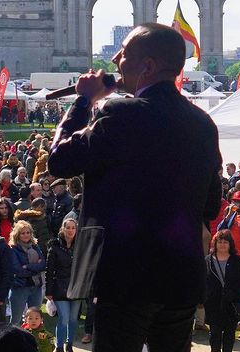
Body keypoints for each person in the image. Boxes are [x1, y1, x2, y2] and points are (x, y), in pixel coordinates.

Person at [47, 23, 222, 352]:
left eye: (124, 52)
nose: (114, 59)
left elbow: (60, 160)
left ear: (148, 66)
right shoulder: (203, 123)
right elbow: (212, 204)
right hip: (182, 278)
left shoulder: (121, 113)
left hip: (126, 279)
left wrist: (83, 101)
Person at [204, 230, 240, 352]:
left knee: (229, 336)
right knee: (214, 335)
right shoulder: (207, 261)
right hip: (213, 304)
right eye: (220, 242)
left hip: (232, 305)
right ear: (215, 243)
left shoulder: (237, 261)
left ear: (230, 244)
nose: (222, 244)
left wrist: (239, 297)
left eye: (225, 242)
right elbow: (202, 280)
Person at [45, 218, 82, 352]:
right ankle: (59, 346)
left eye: (73, 228)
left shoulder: (80, 246)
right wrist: (48, 291)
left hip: (77, 288)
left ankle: (69, 344)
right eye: (68, 227)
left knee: (73, 319)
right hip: (60, 288)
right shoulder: (54, 246)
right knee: (64, 318)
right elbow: (49, 270)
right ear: (63, 229)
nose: (70, 230)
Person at [9, 220, 46, 326]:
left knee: (35, 319)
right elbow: (18, 271)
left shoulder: (35, 246)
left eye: (28, 232)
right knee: (16, 320)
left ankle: (32, 341)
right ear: (17, 234)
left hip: (36, 287)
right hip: (20, 287)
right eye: (23, 233)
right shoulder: (13, 249)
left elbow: (43, 265)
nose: (26, 235)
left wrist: (28, 266)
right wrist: (35, 268)